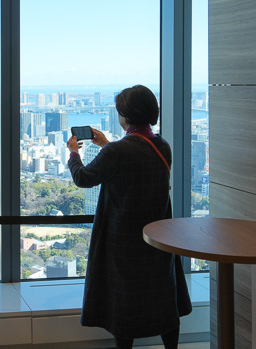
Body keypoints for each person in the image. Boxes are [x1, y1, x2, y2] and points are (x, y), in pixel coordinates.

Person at [66, 85, 191, 349]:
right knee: (161, 295)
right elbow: (136, 159)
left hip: (123, 241)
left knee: (125, 302)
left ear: (125, 115)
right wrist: (108, 144)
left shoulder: (117, 152)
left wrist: (74, 153)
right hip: (157, 237)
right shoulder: (161, 146)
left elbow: (83, 178)